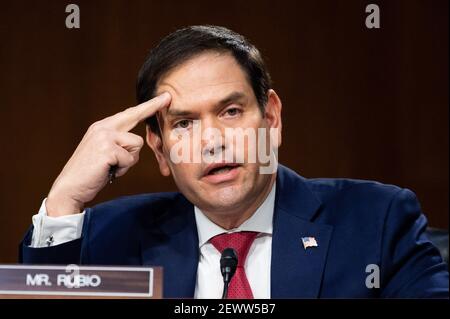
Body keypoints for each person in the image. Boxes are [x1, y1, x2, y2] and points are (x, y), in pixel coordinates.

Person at [20, 25, 448, 298]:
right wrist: (63, 200)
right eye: (184, 123)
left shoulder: (375, 221)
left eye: (230, 112)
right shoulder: (109, 239)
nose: (213, 141)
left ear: (272, 117)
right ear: (159, 148)